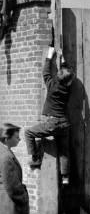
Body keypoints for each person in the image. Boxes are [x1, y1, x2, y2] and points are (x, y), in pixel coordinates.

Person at [25, 47, 75, 185]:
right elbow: (66, 75)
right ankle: (65, 177)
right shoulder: (68, 89)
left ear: (58, 77)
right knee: (64, 151)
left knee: (28, 132)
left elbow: (46, 72)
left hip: (51, 123)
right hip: (64, 124)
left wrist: (49, 56)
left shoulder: (52, 85)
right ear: (69, 82)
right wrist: (62, 58)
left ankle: (35, 158)